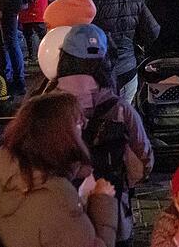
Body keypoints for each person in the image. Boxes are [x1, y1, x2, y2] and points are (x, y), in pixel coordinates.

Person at [53, 23, 154, 245]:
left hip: (59, 217)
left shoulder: (44, 108)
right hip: (114, 217)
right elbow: (145, 163)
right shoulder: (120, 110)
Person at [0, 92, 119, 247]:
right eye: (78, 123)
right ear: (59, 135)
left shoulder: (4, 165)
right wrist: (102, 200)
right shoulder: (57, 196)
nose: (81, 129)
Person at [79, 0, 159, 103]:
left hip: (93, 75)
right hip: (127, 72)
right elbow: (152, 32)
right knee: (123, 122)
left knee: (95, 124)